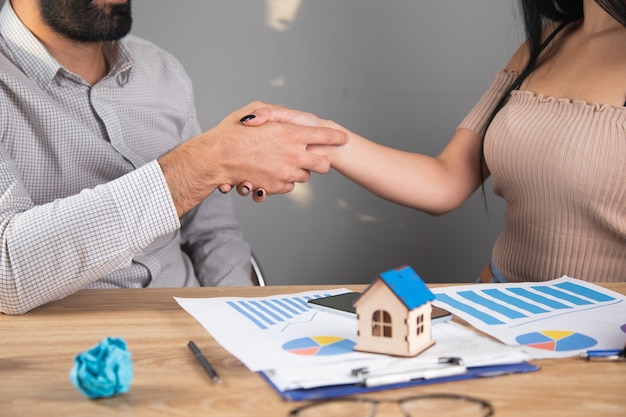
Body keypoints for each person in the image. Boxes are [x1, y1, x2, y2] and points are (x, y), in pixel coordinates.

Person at [0, 0, 347, 315]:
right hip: (70, 348)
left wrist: (239, 316)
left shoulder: (161, 69)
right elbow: (6, 271)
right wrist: (202, 162)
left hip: (195, 327)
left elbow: (212, 232)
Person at [240, 0, 626, 283]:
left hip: (602, 336)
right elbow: (446, 181)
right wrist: (316, 135)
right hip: (502, 309)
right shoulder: (543, 45)